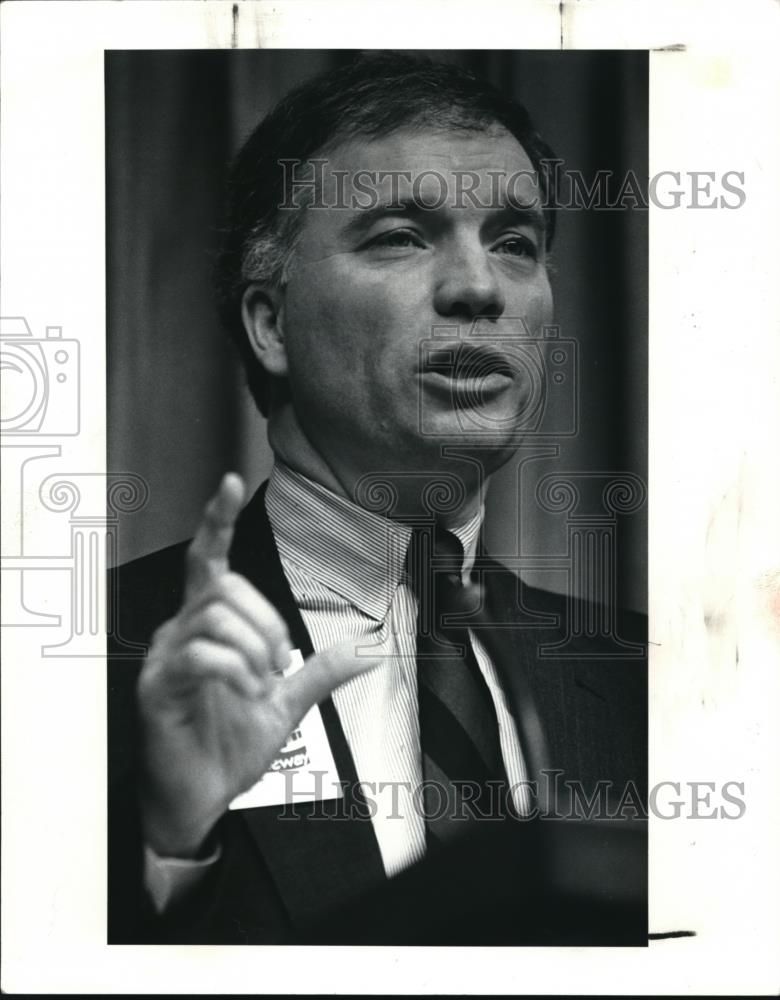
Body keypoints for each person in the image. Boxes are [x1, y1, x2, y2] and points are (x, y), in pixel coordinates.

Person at [108, 52, 647, 945]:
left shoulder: (656, 688)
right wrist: (171, 847)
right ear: (271, 324)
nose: (480, 287)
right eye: (401, 234)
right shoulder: (89, 653)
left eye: (515, 243)